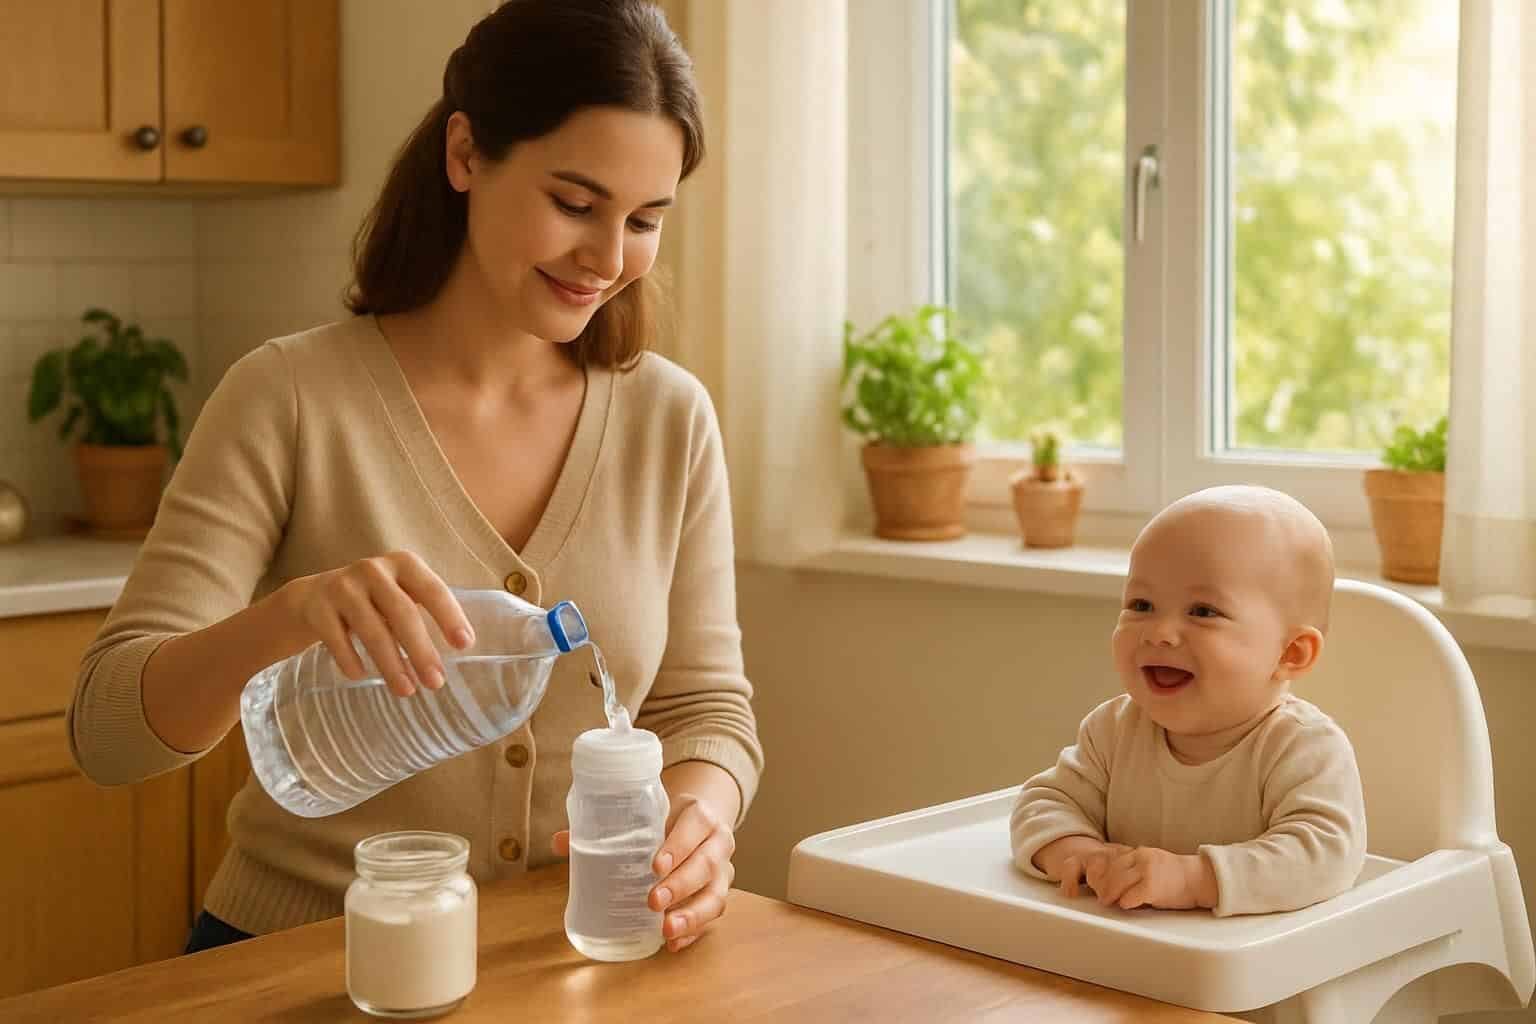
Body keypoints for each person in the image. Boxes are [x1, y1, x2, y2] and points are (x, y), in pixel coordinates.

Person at [66, 0, 762, 956]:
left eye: (644, 220)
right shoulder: (292, 398)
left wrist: (699, 825)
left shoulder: (668, 418)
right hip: (295, 963)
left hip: (564, 966)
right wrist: (284, 622)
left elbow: (703, 709)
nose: (608, 260)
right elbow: (108, 733)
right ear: (466, 153)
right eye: (574, 203)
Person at [1010, 485, 1365, 916]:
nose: (1159, 632)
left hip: (1254, 974)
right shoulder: (1114, 731)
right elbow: (1045, 802)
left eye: (1203, 611)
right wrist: (1077, 851)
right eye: (1141, 604)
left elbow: (1324, 857)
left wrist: (1194, 880)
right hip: (1119, 959)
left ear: (1289, 653)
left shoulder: (1303, 748)